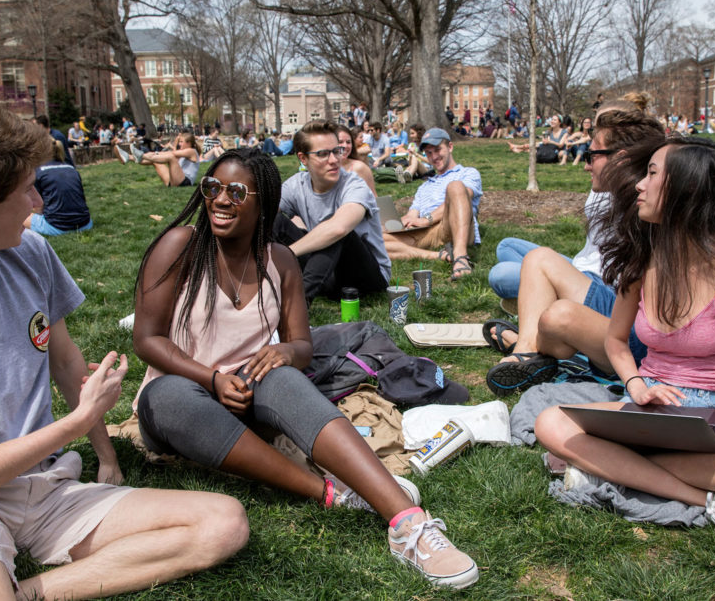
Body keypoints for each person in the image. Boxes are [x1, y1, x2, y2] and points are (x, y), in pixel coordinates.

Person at [0, 93, 246, 600]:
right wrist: (75, 424)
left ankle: (26, 591)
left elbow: (64, 360)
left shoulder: (27, 253)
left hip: (46, 486)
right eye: (28, 190)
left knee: (222, 524)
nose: (39, 204)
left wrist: (104, 454)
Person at [131, 147, 478, 589]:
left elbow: (300, 343)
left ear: (263, 204)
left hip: (249, 398)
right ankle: (329, 492)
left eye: (236, 192)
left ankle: (409, 524)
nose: (220, 200)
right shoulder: (180, 246)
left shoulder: (279, 261)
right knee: (169, 395)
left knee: (284, 376)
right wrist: (211, 379)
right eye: (212, 188)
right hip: (180, 405)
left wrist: (285, 355)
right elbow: (147, 339)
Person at [534, 136, 715, 549]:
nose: (640, 184)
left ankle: (616, 465)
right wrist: (636, 385)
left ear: (685, 189)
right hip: (652, 406)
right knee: (550, 423)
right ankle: (710, 501)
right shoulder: (642, 255)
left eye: (653, 174)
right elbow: (617, 344)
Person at [484, 101, 665, 391]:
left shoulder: (647, 208)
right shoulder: (623, 197)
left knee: (545, 283)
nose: (585, 163)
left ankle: (524, 345)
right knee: (539, 269)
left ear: (619, 159)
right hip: (620, 318)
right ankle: (527, 346)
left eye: (593, 155)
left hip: (636, 339)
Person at [272, 120, 391, 301]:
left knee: (336, 231)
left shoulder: (354, 184)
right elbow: (263, 213)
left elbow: (339, 229)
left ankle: (298, 304)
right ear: (303, 158)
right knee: (273, 220)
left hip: (366, 277)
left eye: (336, 151)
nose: (335, 160)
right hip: (325, 271)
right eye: (323, 154)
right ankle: (255, 284)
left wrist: (287, 253)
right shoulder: (296, 185)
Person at [381, 128, 482, 281]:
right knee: (376, 240)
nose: (434, 157)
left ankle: (461, 258)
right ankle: (439, 255)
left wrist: (426, 219)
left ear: (450, 147)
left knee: (455, 186)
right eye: (429, 153)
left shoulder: (468, 173)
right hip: (428, 233)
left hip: (454, 227)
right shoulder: (424, 187)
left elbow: (460, 197)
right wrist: (395, 224)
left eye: (437, 150)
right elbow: (412, 215)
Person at [24, 138, 94, 236]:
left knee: (20, 216)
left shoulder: (38, 171)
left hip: (57, 226)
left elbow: (38, 207)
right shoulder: (71, 169)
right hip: (85, 224)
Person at [336, 124, 377, 196]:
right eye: (340, 142)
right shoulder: (326, 168)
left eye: (348, 142)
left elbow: (373, 198)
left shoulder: (360, 168)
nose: (345, 145)